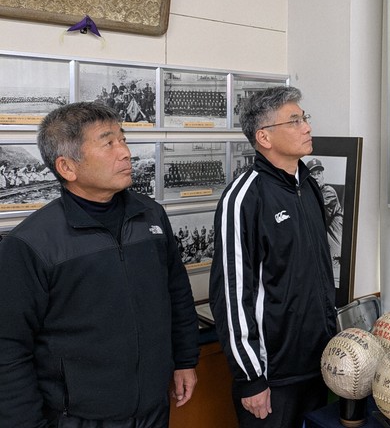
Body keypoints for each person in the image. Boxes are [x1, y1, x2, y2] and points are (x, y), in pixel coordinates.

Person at [0, 101, 199, 427]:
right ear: (67, 167)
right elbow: (8, 348)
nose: (125, 153)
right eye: (108, 143)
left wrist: (185, 361)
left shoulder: (151, 216)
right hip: (79, 417)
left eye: (123, 140)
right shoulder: (31, 244)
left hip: (153, 409)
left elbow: (176, 293)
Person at [209, 86, 336, 428]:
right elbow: (232, 295)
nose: (307, 127)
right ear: (264, 136)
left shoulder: (308, 185)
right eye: (294, 121)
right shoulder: (243, 198)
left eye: (304, 118)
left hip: (317, 363)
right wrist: (251, 377)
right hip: (272, 375)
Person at [307, 157, 344, 287]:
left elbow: (315, 215)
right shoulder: (311, 193)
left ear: (323, 175)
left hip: (335, 249)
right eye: (312, 174)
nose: (316, 177)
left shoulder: (328, 191)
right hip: (326, 249)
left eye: (319, 173)